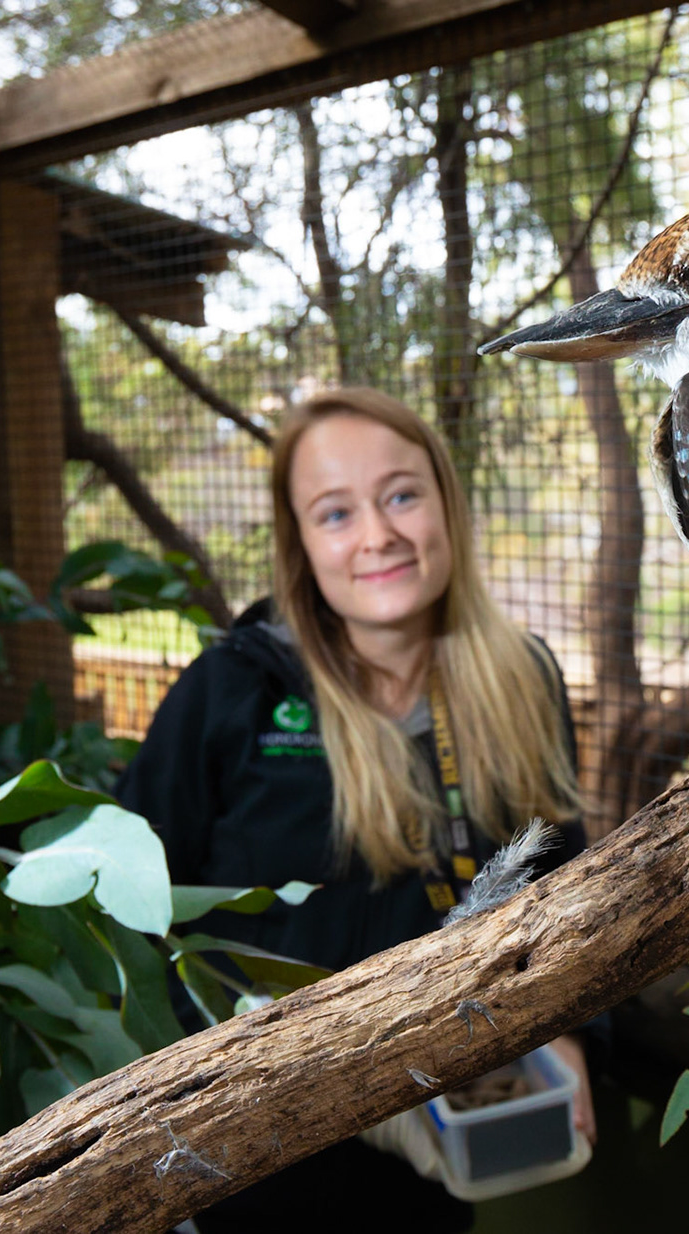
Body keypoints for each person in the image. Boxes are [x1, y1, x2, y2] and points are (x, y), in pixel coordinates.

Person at [114, 387, 592, 1234]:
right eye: (336, 514)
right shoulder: (233, 690)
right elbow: (131, 910)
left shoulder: (523, 678)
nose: (378, 536)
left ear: (447, 503)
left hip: (440, 1150)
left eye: (402, 495)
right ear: (301, 543)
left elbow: (564, 890)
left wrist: (568, 1034)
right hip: (250, 1155)